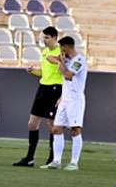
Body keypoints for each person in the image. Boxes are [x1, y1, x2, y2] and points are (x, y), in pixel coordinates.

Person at [14, 26, 63, 167]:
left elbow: (64, 74)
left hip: (55, 89)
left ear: (55, 38)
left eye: (47, 37)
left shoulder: (61, 53)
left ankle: (52, 159)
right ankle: (29, 158)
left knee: (52, 125)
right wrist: (33, 71)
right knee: (32, 123)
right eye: (43, 37)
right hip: (43, 88)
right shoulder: (45, 51)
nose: (44, 40)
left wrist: (63, 94)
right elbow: (43, 73)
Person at [41, 36, 87, 171]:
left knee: (75, 130)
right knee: (56, 129)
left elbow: (68, 75)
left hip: (75, 100)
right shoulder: (66, 59)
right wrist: (60, 60)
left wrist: (60, 63)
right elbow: (49, 58)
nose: (61, 50)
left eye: (61, 48)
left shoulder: (79, 60)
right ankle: (56, 161)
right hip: (65, 99)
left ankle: (74, 162)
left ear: (66, 47)